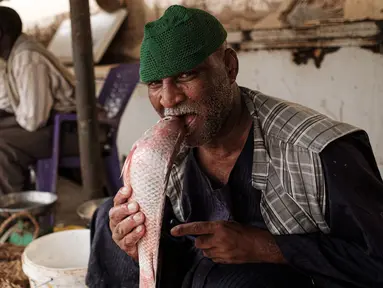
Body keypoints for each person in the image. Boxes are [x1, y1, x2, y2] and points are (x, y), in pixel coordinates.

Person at [86, 5, 383, 288]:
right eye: (154, 84)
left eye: (186, 75)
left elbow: (376, 262)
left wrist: (269, 247)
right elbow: (177, 251)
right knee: (106, 220)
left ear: (229, 67)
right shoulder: (164, 155)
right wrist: (140, 246)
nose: (168, 99)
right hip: (199, 272)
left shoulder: (318, 151)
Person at [0, 7, 77, 194]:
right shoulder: (12, 57)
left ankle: (16, 211)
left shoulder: (27, 58)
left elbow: (34, 119)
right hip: (52, 127)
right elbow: (9, 104)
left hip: (73, 132)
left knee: (1, 144)